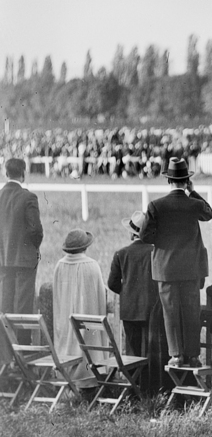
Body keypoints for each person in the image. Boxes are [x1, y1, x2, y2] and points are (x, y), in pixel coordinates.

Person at [140, 157, 212, 368]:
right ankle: (193, 355)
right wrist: (193, 191)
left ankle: (176, 355)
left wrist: (162, 240)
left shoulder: (156, 205)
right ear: (186, 181)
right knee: (192, 311)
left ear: (168, 181)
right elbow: (209, 213)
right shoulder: (194, 204)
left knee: (170, 311)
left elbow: (145, 236)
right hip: (191, 267)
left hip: (165, 268)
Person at [53, 229, 107, 393]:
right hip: (88, 320)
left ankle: (69, 379)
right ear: (85, 247)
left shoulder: (59, 265)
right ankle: (89, 379)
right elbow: (100, 296)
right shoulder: (92, 265)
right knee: (89, 338)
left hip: (65, 319)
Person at [0, 158, 44, 344]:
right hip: (24, 260)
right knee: (23, 307)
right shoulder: (28, 197)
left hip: (4, 259)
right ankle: (24, 352)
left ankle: (7, 352)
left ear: (6, 173)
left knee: (6, 305)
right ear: (23, 173)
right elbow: (36, 230)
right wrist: (33, 248)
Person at [107, 210, 158, 357]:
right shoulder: (155, 252)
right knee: (151, 351)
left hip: (129, 310)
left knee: (132, 352)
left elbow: (112, 283)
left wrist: (127, 291)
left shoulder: (121, 253)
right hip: (152, 308)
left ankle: (134, 379)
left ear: (132, 234)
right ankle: (148, 379)